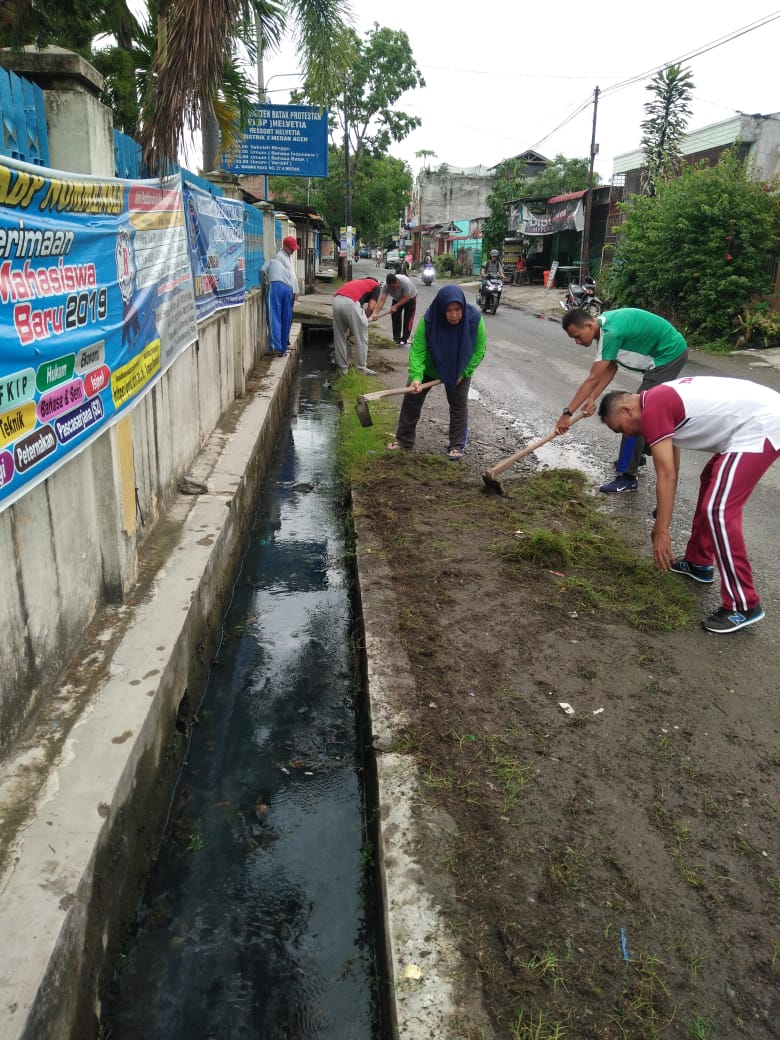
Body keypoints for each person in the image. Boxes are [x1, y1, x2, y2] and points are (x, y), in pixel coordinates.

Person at [598, 377, 780, 633]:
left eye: (620, 428)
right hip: (750, 423)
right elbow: (672, 466)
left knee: (719, 510)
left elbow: (667, 475)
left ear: (626, 410)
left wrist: (662, 532)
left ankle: (743, 604)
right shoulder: (656, 400)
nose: (627, 435)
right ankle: (699, 563)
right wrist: (662, 518)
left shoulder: (655, 406)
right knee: (711, 481)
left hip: (761, 423)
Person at [557, 307, 688, 493]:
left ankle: (627, 477)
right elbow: (611, 367)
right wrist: (592, 398)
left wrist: (567, 413)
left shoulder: (611, 333)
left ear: (588, 324)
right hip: (666, 351)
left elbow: (593, 378)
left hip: (668, 355)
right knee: (640, 411)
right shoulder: (603, 327)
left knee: (635, 414)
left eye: (578, 336)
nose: (577, 342)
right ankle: (638, 453)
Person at [387, 284, 486, 460]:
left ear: (463, 307)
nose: (454, 315)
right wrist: (417, 377)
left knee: (458, 404)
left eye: (457, 309)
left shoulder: (474, 320)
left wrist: (463, 373)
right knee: (412, 399)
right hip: (430, 366)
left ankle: (456, 445)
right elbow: (417, 351)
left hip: (459, 367)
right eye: (448, 310)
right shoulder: (429, 321)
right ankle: (404, 440)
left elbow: (479, 351)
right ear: (441, 309)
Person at [332, 276, 382, 376]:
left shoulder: (358, 282)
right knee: (362, 338)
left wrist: (353, 326)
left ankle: (343, 370)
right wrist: (364, 321)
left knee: (340, 337)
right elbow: (371, 307)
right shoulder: (376, 285)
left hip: (336, 300)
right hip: (351, 302)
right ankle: (361, 368)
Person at [261, 235, 299, 356]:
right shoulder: (279, 257)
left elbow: (262, 271)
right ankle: (280, 348)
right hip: (287, 288)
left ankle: (276, 346)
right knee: (283, 318)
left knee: (277, 317)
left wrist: (263, 285)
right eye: (291, 248)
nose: (293, 250)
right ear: (284, 246)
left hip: (281, 288)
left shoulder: (284, 257)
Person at [371, 271, 417, 347]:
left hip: (410, 298)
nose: (392, 289)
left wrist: (395, 306)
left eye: (394, 287)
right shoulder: (386, 286)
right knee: (395, 316)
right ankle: (396, 338)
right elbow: (382, 299)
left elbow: (406, 298)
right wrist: (376, 313)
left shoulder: (405, 282)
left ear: (397, 282)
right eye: (391, 287)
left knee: (408, 318)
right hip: (397, 298)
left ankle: (404, 339)